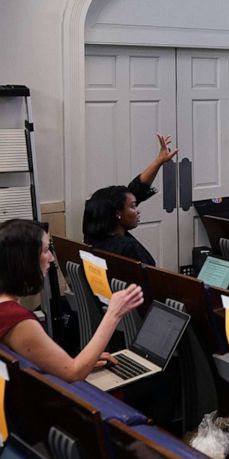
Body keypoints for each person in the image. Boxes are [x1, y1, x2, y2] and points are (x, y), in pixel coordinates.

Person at [0, 219, 144, 381]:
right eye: (46, 250)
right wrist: (114, 314)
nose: (51, 258)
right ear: (25, 259)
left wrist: (84, 359)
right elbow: (73, 373)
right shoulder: (16, 319)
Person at [82, 134, 178, 266]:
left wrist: (159, 161)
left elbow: (134, 191)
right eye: (133, 206)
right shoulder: (128, 248)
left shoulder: (93, 238)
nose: (138, 211)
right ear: (117, 213)